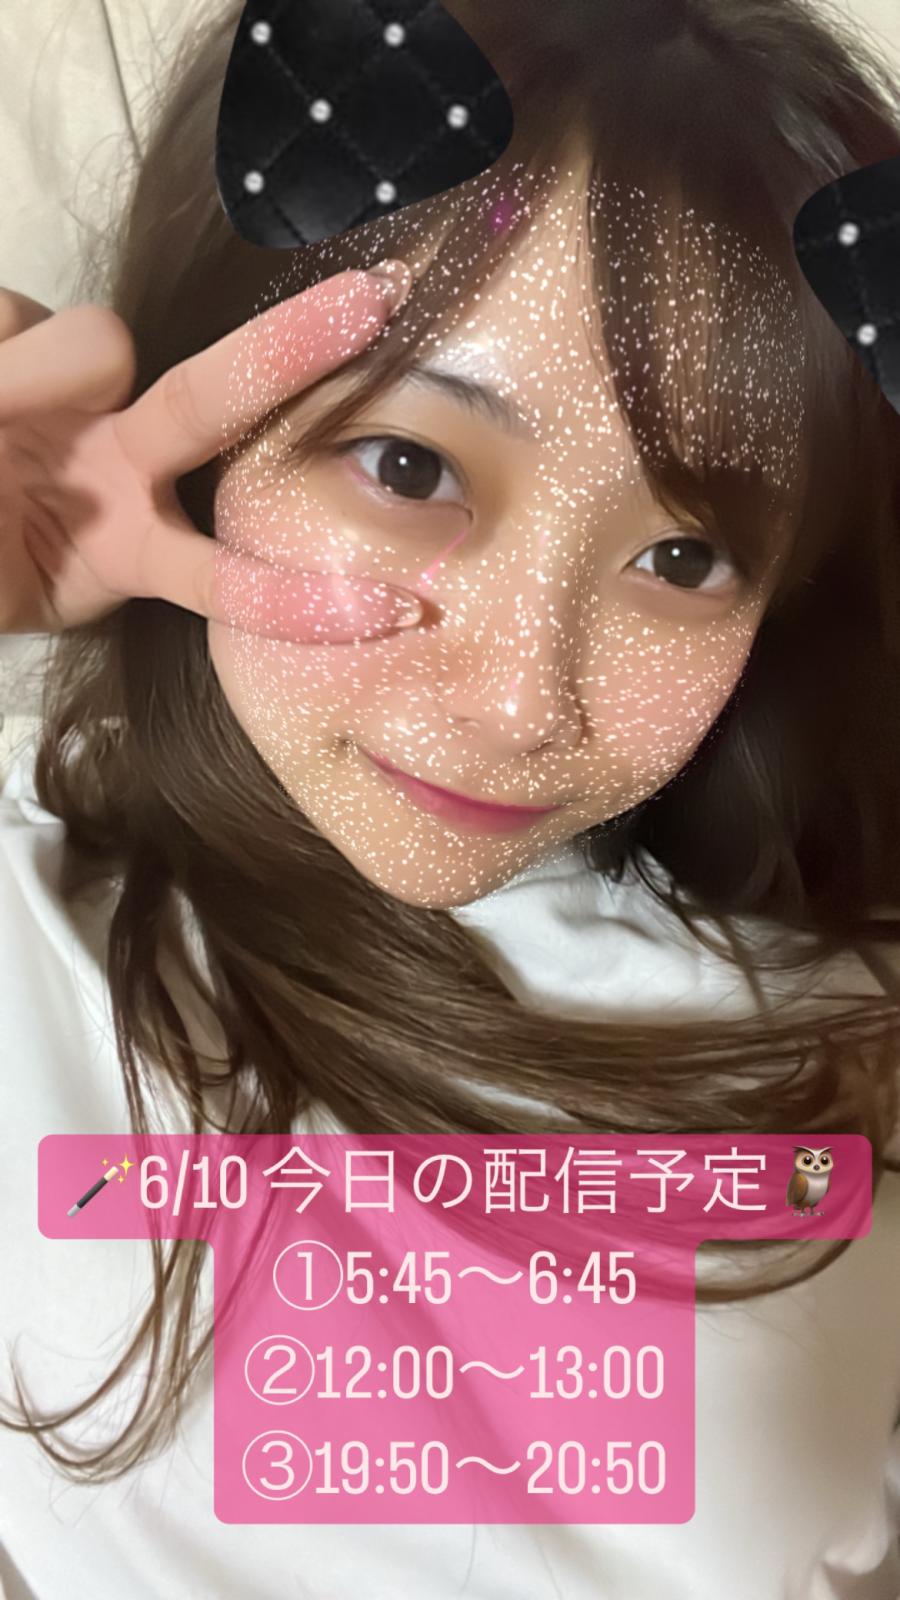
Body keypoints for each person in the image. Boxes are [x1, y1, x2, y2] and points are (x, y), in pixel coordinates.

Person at [2, 0, 900, 1594]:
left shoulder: (846, 1009)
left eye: (682, 556)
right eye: (410, 468)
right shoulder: (33, 945)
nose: (521, 704)